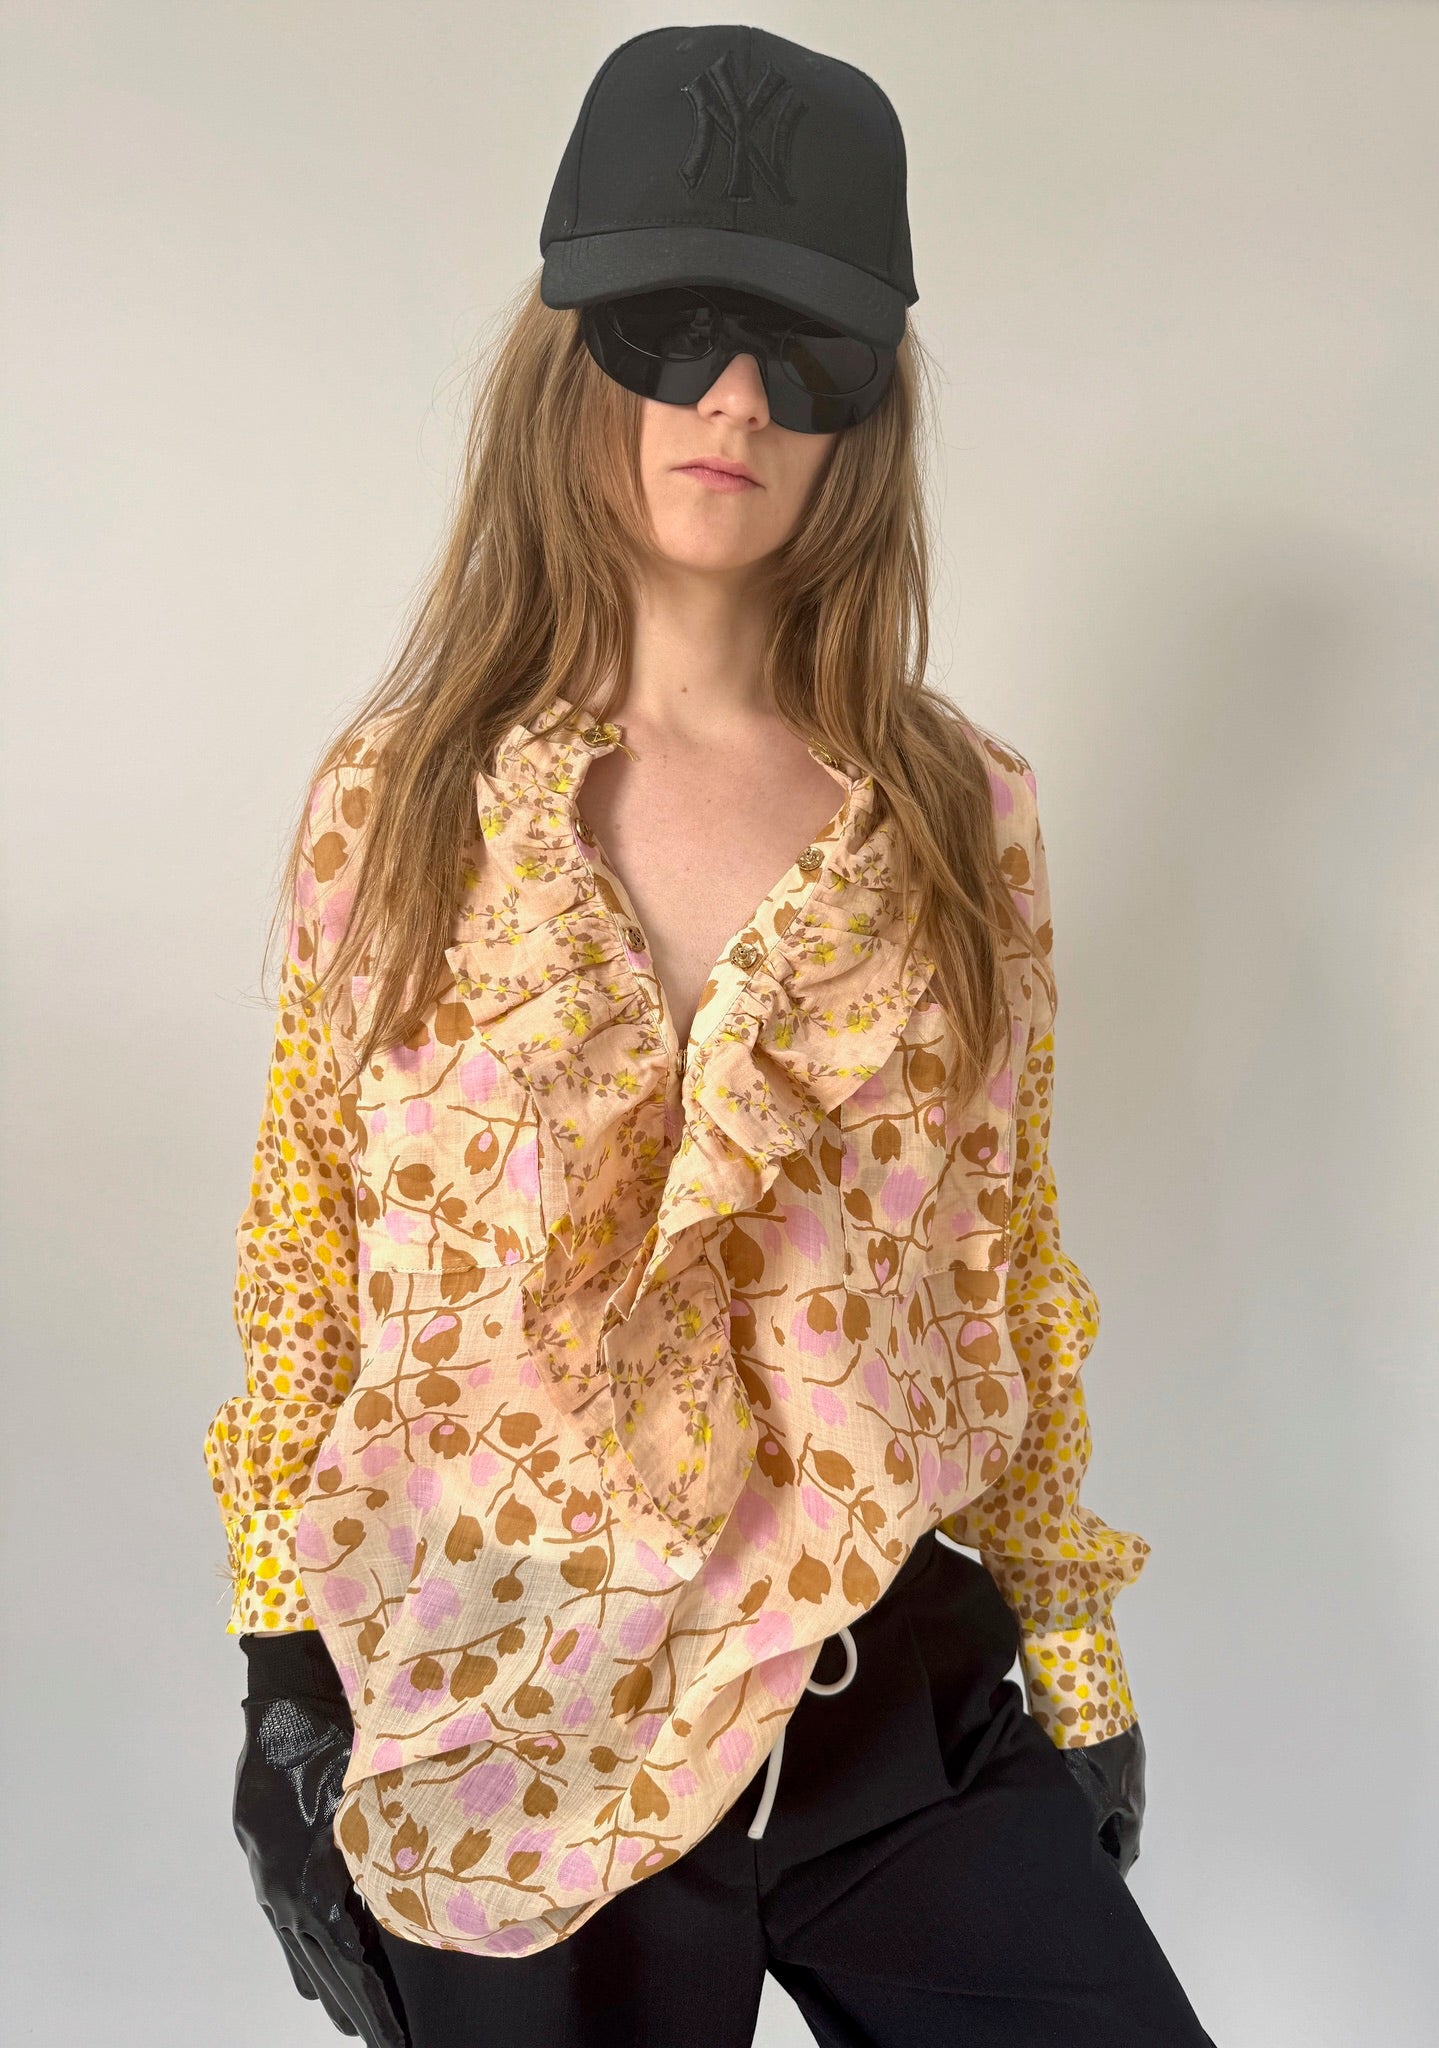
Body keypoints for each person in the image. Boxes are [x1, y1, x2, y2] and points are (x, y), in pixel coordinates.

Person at [205, 24, 1216, 2048]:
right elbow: (307, 1244)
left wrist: (1074, 1654)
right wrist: (282, 1678)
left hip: (887, 1708)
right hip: (510, 1728)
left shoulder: (961, 817)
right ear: (568, 353)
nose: (736, 397)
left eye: (804, 352)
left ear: (868, 410)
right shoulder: (399, 803)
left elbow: (1005, 1252)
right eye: (675, 330)